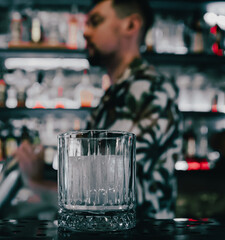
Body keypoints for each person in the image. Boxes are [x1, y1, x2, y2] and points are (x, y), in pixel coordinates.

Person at [15, 0, 182, 219]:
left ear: (130, 25)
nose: (85, 32)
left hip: (140, 233)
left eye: (95, 22)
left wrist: (35, 182)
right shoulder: (118, 92)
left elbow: (106, 193)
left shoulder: (148, 89)